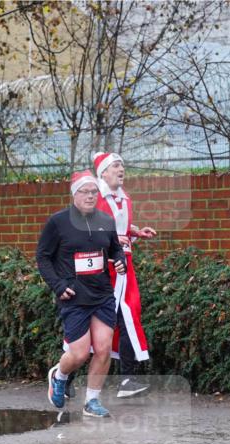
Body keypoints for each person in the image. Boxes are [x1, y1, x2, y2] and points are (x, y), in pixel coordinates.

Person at [37, 171, 127, 418]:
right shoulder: (58, 222)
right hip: (74, 296)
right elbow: (43, 257)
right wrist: (56, 285)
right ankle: (59, 375)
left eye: (94, 192)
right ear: (74, 194)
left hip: (102, 294)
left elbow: (116, 250)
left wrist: (120, 262)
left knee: (103, 348)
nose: (90, 196)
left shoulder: (106, 221)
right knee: (78, 353)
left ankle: (92, 401)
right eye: (84, 192)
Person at [92, 151, 157, 398]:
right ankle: (65, 373)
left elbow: (118, 228)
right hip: (105, 268)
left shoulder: (124, 198)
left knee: (128, 313)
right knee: (103, 319)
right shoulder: (95, 198)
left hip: (124, 266)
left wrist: (136, 232)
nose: (121, 169)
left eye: (122, 165)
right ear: (103, 172)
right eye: (116, 165)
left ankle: (127, 378)